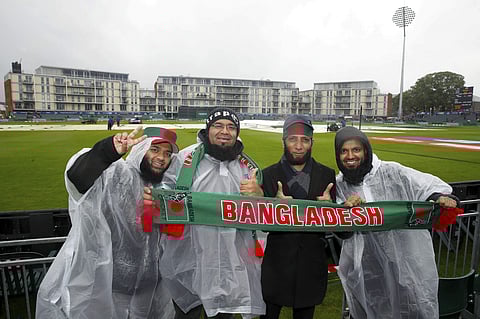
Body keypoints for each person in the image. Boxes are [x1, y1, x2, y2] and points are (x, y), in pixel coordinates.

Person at [36, 126, 179, 319]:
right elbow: (78, 178)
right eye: (155, 150)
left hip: (148, 290)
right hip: (108, 288)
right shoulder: (116, 174)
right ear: (139, 149)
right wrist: (108, 151)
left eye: (167, 153)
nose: (162, 158)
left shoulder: (162, 188)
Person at [334, 126, 459, 319]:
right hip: (368, 269)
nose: (350, 156)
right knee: (374, 309)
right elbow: (342, 231)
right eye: (344, 151)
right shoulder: (339, 185)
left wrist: (439, 198)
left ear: (366, 150)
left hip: (408, 262)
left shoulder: (392, 172)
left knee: (414, 306)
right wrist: (345, 211)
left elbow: (425, 187)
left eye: (356, 149)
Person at [153, 107, 265, 318]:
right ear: (208, 129)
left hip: (230, 260)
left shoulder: (246, 167)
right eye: (218, 126)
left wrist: (258, 192)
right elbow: (164, 188)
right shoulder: (186, 158)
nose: (225, 131)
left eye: (231, 127)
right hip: (190, 256)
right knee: (188, 312)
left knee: (224, 313)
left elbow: (258, 209)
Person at [260, 114, 348, 319]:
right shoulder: (269, 175)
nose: (298, 146)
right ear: (284, 140)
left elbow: (336, 225)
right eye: (293, 139)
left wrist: (329, 210)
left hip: (311, 264)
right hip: (276, 265)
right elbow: (261, 224)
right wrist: (275, 209)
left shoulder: (327, 175)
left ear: (312, 143)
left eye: (305, 140)